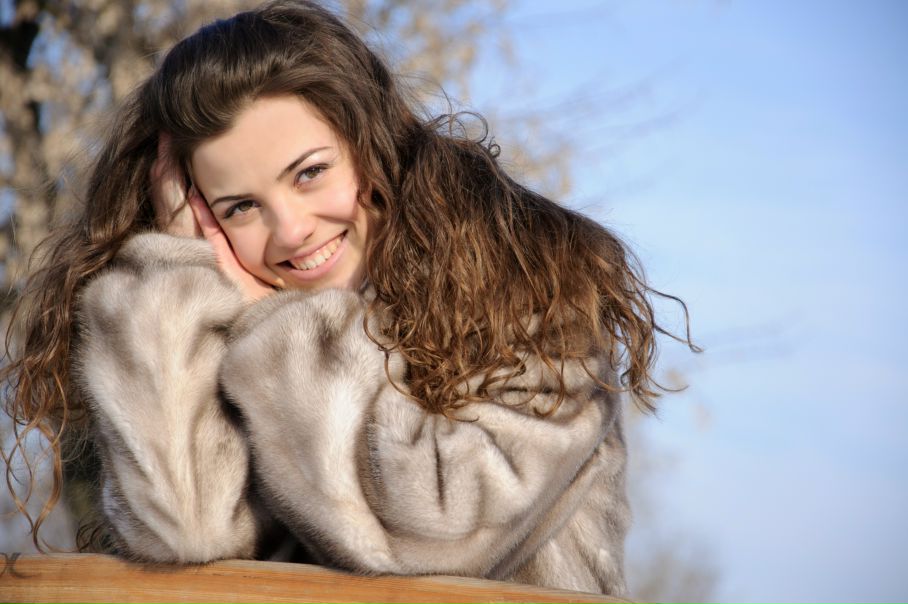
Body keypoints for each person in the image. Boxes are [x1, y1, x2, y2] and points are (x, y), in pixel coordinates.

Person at [2, 0, 695, 596]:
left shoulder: (528, 282)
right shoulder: (242, 336)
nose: (290, 230)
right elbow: (182, 531)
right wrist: (174, 286)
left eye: (309, 173)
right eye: (240, 207)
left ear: (371, 142)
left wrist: (281, 331)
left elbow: (438, 533)